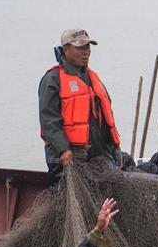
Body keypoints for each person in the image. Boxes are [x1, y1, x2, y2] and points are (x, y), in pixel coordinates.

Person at [39, 29, 121, 185]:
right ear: (66, 50)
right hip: (68, 159)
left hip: (98, 157)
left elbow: (104, 120)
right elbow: (49, 121)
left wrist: (114, 149)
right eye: (80, 48)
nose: (86, 52)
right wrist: (63, 150)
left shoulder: (92, 77)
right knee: (68, 203)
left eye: (87, 47)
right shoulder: (52, 80)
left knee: (105, 200)